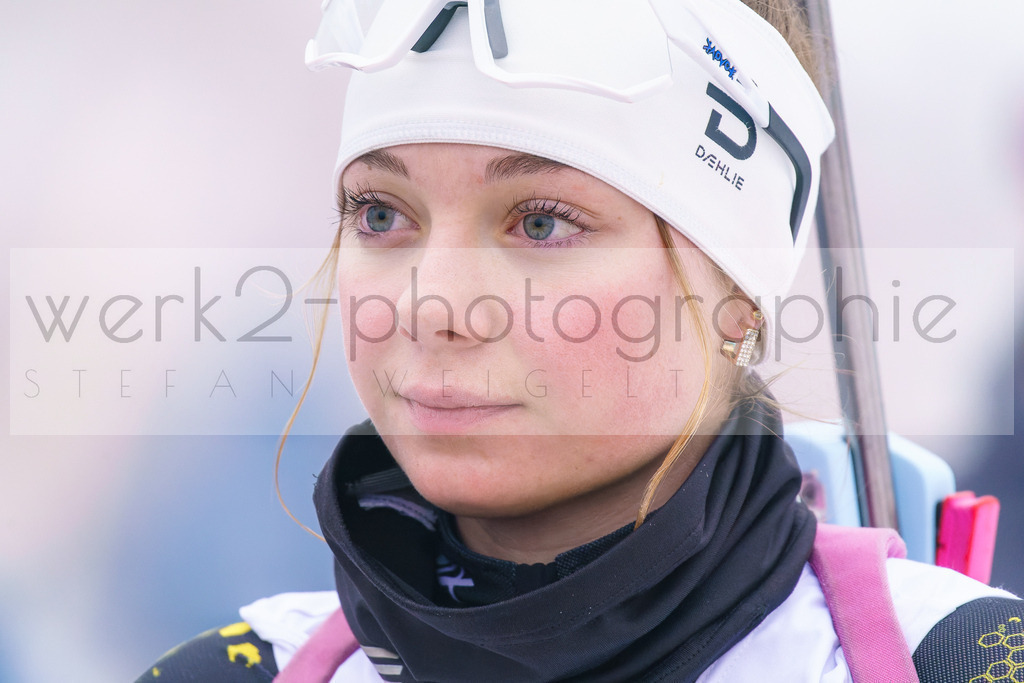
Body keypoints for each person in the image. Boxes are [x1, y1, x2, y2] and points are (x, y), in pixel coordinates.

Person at [137, 0, 1024, 680]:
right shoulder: (234, 667)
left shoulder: (966, 658)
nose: (431, 304)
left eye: (541, 223)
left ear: (737, 295)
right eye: (381, 213)